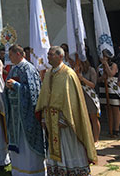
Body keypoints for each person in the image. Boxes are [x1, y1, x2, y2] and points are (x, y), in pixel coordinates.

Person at [36, 46, 97, 175]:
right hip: (50, 120)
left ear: (60, 56)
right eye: (48, 55)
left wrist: (64, 118)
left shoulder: (69, 74)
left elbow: (73, 101)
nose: (49, 57)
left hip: (66, 121)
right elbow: (44, 96)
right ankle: (58, 171)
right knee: (54, 148)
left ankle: (73, 170)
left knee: (69, 147)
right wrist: (43, 116)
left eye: (51, 55)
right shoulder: (48, 73)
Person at [4, 45, 46, 176]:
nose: (9, 58)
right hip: (15, 113)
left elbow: (34, 92)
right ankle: (18, 171)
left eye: (11, 55)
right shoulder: (13, 69)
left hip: (26, 113)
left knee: (27, 146)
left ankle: (33, 171)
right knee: (18, 143)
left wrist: (16, 86)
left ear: (18, 54)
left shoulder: (29, 68)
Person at [74, 59, 101, 146]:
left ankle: (96, 139)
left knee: (93, 118)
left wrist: (82, 78)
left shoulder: (91, 70)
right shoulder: (75, 71)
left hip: (90, 96)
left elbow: (93, 84)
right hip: (80, 96)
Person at [97, 52, 120, 137]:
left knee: (115, 108)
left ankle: (116, 129)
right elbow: (97, 79)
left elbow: (111, 74)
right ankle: (110, 127)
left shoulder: (114, 65)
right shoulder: (99, 67)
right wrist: (101, 78)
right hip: (104, 88)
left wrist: (106, 64)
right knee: (108, 109)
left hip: (113, 88)